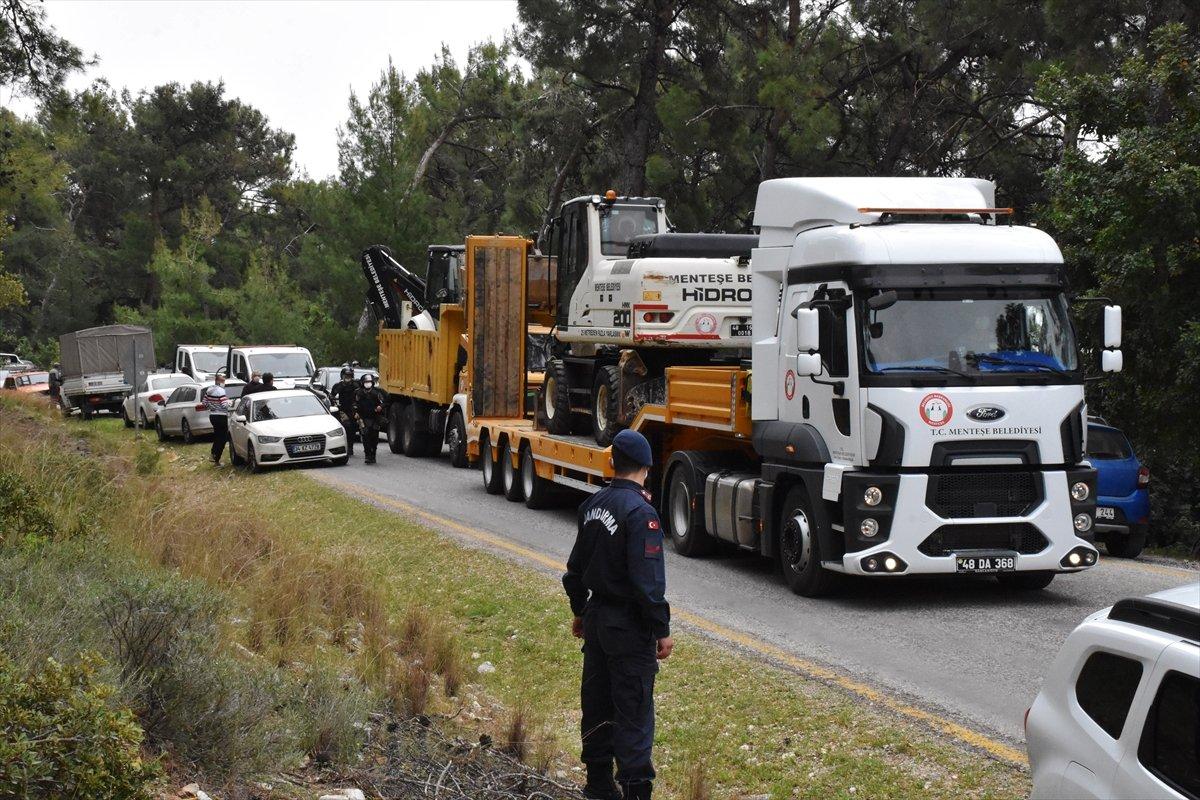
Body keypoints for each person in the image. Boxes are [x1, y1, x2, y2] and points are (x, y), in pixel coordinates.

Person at [563, 429, 672, 800]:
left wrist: (580, 610)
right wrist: (661, 628)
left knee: (596, 705)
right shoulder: (642, 513)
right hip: (628, 627)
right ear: (647, 467)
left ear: (612, 463)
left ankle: (598, 786)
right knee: (633, 713)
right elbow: (647, 583)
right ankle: (635, 793)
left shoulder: (591, 506)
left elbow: (574, 571)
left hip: (596, 620)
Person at [353, 373, 387, 464]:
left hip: (375, 417)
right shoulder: (358, 393)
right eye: (366, 382)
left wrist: (380, 406)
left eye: (369, 382)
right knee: (365, 435)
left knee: (374, 436)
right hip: (363, 417)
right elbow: (354, 403)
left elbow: (385, 401)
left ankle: (373, 455)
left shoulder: (377, 392)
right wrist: (356, 412)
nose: (368, 384)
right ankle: (367, 455)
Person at [202, 373, 232, 466]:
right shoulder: (221, 391)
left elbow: (204, 403)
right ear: (218, 381)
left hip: (212, 415)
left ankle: (214, 455)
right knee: (222, 438)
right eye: (223, 381)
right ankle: (216, 458)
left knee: (217, 436)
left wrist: (212, 406)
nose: (224, 383)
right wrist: (230, 402)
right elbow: (224, 404)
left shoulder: (209, 390)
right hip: (221, 416)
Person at [329, 367, 360, 456]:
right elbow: (331, 396)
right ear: (342, 376)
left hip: (354, 410)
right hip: (342, 410)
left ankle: (350, 447)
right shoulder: (338, 386)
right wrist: (335, 404)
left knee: (353, 428)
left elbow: (362, 394)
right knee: (346, 427)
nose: (347, 377)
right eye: (346, 376)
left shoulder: (356, 385)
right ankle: (345, 447)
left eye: (349, 376)